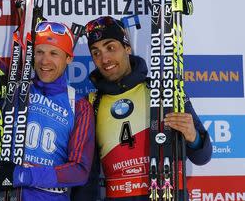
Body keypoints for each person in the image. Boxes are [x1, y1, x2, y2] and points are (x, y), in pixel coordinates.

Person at [70, 16, 212, 201]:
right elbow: (87, 176)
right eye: (96, 53)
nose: (104, 58)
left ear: (127, 48)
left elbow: (203, 156)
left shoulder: (164, 91)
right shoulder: (91, 103)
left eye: (110, 47)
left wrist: (193, 137)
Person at [0, 20, 96, 201]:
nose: (45, 61)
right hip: (4, 196)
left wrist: (24, 176)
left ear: (69, 58)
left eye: (54, 53)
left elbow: (79, 170)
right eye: (39, 52)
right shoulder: (15, 90)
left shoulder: (79, 106)